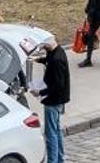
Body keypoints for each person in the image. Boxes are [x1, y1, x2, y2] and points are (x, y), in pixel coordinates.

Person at [34, 33, 71, 163]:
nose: (43, 48)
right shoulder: (57, 51)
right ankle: (60, 158)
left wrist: (40, 92)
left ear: (49, 44)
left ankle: (53, 160)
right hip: (58, 100)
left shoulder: (57, 60)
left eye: (44, 46)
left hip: (53, 100)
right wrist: (39, 60)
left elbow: (58, 85)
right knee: (56, 129)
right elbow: (49, 59)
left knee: (51, 134)